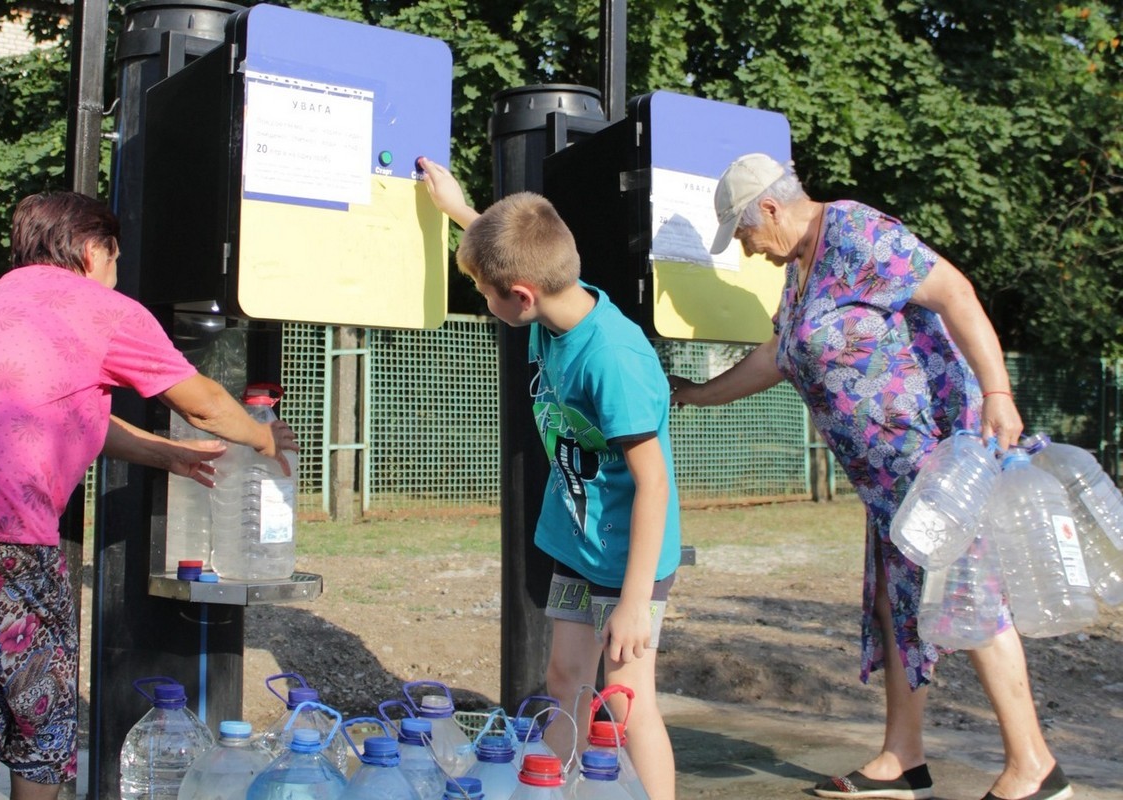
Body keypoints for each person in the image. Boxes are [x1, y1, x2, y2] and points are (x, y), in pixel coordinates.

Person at [669, 153, 1070, 800]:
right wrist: (693, 396)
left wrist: (998, 391)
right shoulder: (800, 272)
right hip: (888, 485)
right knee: (896, 606)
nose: (748, 249)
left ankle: (1035, 766)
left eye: (744, 233)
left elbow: (955, 293)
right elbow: (778, 356)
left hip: (932, 460)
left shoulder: (855, 233)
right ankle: (902, 759)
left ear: (770, 208)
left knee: (967, 594)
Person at [0, 191, 299, 800]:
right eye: (115, 259)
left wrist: (168, 454)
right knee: (41, 709)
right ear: (96, 250)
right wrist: (260, 438)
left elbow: (73, 416)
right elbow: (199, 400)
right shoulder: (103, 308)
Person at [418, 157, 681, 800]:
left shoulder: (612, 359)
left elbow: (655, 484)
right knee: (565, 679)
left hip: (628, 561)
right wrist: (458, 207)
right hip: (577, 542)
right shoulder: (553, 300)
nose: (485, 301)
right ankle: (553, 791)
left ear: (522, 297)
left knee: (625, 703)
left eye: (485, 293)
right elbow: (511, 252)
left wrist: (632, 602)